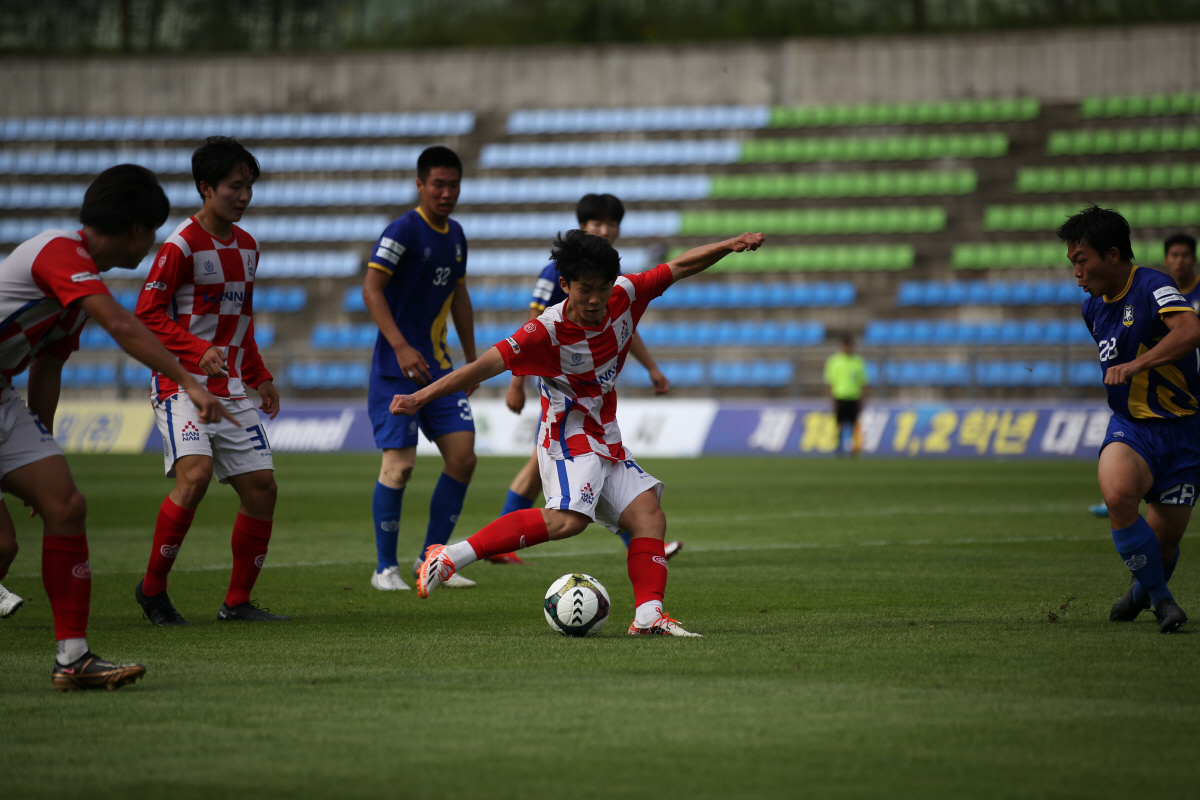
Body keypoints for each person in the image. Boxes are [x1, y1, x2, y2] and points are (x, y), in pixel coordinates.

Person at [397, 228, 766, 636]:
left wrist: (729, 246)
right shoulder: (545, 332)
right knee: (569, 521)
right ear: (564, 285)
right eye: (584, 289)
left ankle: (648, 617)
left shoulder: (626, 295)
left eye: (602, 288)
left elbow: (680, 266)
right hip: (567, 433)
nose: (595, 299)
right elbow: (482, 367)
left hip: (605, 432)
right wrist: (419, 399)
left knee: (648, 516)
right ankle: (449, 556)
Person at [0, 164, 233, 689]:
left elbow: (48, 366)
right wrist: (190, 383)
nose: (150, 245)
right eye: (150, 233)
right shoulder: (60, 253)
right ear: (136, 230)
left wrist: (38, 452)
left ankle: (73, 659)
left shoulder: (77, 290)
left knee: (65, 505)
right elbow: (124, 325)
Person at [134, 137, 289, 625]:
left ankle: (237, 602)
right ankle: (152, 590)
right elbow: (147, 314)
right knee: (195, 476)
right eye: (234, 187)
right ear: (206, 188)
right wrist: (198, 350)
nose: (243, 196)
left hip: (231, 385)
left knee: (262, 488)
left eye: (248, 187)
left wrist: (260, 375)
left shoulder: (248, 246)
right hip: (180, 382)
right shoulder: (180, 245)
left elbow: (241, 320)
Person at [493, 193, 680, 564]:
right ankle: (497, 542)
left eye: (612, 224)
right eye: (597, 224)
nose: (606, 230)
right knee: (554, 469)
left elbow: (625, 328)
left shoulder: (609, 277)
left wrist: (652, 368)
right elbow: (529, 333)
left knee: (537, 470)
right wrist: (515, 384)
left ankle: (501, 542)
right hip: (560, 385)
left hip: (588, 385)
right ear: (583, 227)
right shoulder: (559, 273)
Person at [1062, 205, 1199, 633]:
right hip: (1133, 427)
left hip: (1184, 431)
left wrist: (1138, 366)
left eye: (1082, 261)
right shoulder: (1092, 309)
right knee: (1118, 493)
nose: (1077, 273)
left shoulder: (1154, 284)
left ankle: (1139, 595)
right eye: (1073, 265)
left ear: (1113, 255)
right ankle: (1163, 601)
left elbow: (1190, 332)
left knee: (1165, 544)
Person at [364, 146, 478, 592]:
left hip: (442, 369)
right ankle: (383, 568)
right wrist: (400, 346)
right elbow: (371, 289)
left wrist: (472, 363)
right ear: (420, 185)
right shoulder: (402, 231)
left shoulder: (457, 235)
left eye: (453, 185)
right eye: (438, 185)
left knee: (463, 458)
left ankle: (430, 561)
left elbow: (461, 299)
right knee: (401, 466)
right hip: (396, 369)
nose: (446, 193)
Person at [1088, 232, 1200, 518]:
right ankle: (1122, 494)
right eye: (1174, 255)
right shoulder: (1146, 293)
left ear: (1194, 258)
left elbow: (1188, 332)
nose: (1179, 261)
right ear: (1166, 259)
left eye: (1185, 255)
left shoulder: (1158, 288)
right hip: (1158, 397)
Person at [823, 334, 868, 457]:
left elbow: (862, 382)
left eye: (849, 345)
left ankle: (856, 449)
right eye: (845, 345)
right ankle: (839, 449)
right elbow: (830, 382)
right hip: (840, 397)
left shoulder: (858, 361)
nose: (847, 348)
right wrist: (832, 399)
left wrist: (862, 398)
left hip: (854, 397)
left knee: (855, 425)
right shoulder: (834, 361)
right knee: (839, 425)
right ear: (841, 346)